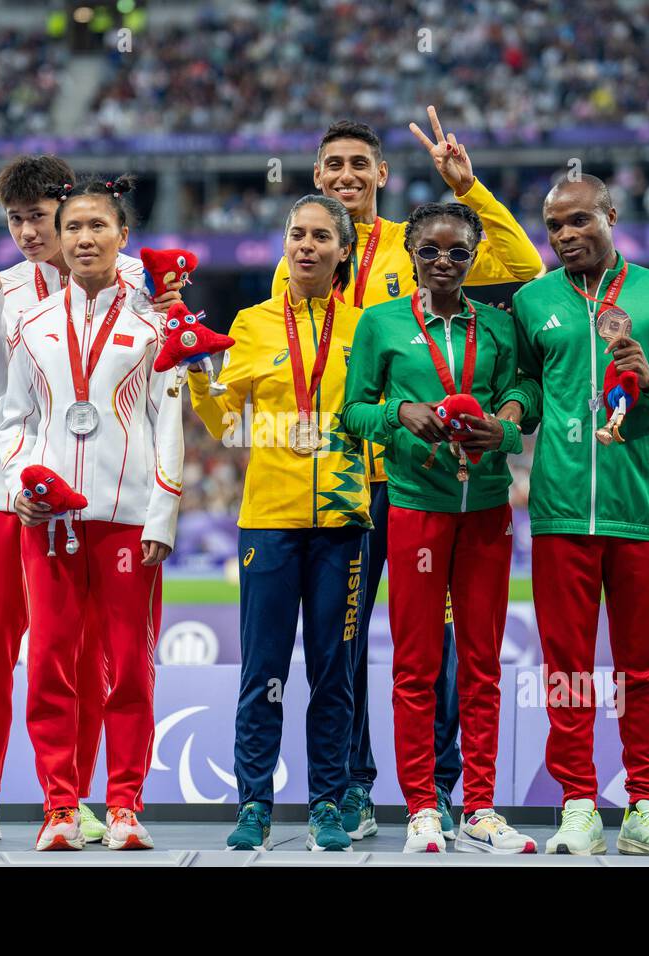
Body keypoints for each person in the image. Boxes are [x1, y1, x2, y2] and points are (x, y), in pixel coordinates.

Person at [272, 109, 544, 841]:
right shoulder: (308, 247)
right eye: (333, 166)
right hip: (342, 479)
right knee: (350, 641)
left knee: (447, 645)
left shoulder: (421, 242)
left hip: (426, 481)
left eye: (360, 165)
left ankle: (450, 792)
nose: (346, 178)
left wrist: (471, 186)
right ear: (317, 176)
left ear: (382, 176)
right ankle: (358, 791)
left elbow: (523, 267)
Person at [0, 156, 172, 848]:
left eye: (40, 217)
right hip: (6, 491)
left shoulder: (128, 281)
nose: (29, 231)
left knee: (86, 654)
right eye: (16, 219)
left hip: (93, 498)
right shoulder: (3, 287)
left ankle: (75, 798)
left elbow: (167, 376)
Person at [510, 174, 649, 856]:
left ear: (610, 215)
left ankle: (645, 805)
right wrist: (510, 413)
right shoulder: (532, 301)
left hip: (643, 510)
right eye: (554, 227)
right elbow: (529, 391)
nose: (565, 235)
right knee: (566, 667)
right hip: (562, 511)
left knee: (642, 671)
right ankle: (577, 803)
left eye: (578, 221)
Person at [342, 202, 540, 854]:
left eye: (458, 252)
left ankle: (480, 807)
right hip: (415, 508)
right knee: (416, 665)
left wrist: (505, 423)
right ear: (413, 256)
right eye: (430, 251)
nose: (444, 263)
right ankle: (424, 808)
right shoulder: (381, 324)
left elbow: (526, 397)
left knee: (481, 664)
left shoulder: (501, 326)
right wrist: (401, 411)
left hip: (486, 511)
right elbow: (353, 413)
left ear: (475, 255)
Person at [0, 175, 185, 851]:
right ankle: (59, 807)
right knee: (49, 662)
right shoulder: (31, 324)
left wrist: (163, 516)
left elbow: (169, 425)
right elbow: (14, 421)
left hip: (128, 517)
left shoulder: (156, 323)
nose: (83, 238)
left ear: (122, 238)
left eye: (97, 226)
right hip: (48, 522)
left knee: (129, 665)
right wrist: (22, 481)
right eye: (72, 227)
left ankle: (127, 803)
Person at [191, 195, 370, 852]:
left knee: (335, 670)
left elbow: (380, 413)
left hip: (345, 522)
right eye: (297, 234)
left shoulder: (368, 326)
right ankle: (255, 804)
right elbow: (226, 424)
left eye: (322, 236)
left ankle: (326, 800)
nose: (306, 245)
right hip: (267, 520)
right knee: (263, 668)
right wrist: (194, 377)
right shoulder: (251, 323)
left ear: (342, 250)